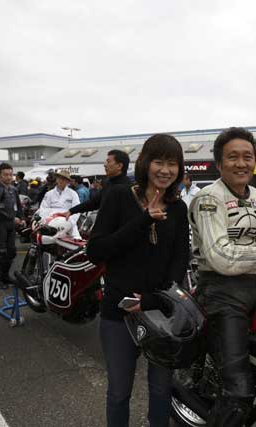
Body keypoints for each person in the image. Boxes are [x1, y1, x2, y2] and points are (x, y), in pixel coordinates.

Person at [189, 127, 256, 426]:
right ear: (219, 163)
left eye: (247, 157)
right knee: (238, 391)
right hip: (220, 292)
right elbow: (221, 258)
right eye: (232, 157)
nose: (241, 163)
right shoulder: (209, 198)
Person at [87, 134, 189, 427]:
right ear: (145, 163)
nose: (165, 170)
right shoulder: (119, 197)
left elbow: (179, 261)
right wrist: (143, 220)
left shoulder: (178, 208)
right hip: (118, 312)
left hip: (160, 312)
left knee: (160, 390)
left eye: (172, 164)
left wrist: (154, 300)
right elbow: (96, 251)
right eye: (159, 162)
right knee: (119, 392)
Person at [0, 163, 24, 289]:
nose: (9, 177)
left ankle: (5, 276)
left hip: (10, 226)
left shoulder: (13, 189)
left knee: (11, 252)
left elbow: (18, 206)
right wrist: (12, 218)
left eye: (11, 174)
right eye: (5, 175)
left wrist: (21, 218)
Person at [62, 150, 130, 219]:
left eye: (108, 161)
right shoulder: (108, 183)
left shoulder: (127, 188)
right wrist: (71, 211)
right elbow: (94, 202)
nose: (104, 164)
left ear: (119, 166)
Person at [39, 169, 80, 238]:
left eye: (64, 179)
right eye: (59, 178)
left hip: (68, 221)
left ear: (67, 181)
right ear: (56, 179)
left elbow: (77, 209)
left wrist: (70, 222)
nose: (61, 180)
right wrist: (46, 220)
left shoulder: (73, 194)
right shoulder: (49, 194)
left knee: (76, 239)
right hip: (51, 222)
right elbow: (43, 208)